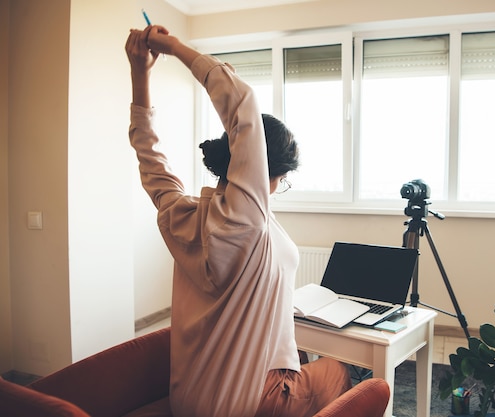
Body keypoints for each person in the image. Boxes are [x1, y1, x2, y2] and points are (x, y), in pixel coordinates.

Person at [125, 26, 352, 417]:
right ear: (270, 170)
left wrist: (139, 73)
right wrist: (175, 46)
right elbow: (242, 102)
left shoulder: (181, 213)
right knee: (340, 373)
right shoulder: (247, 221)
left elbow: (148, 151)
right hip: (247, 402)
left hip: (189, 399)